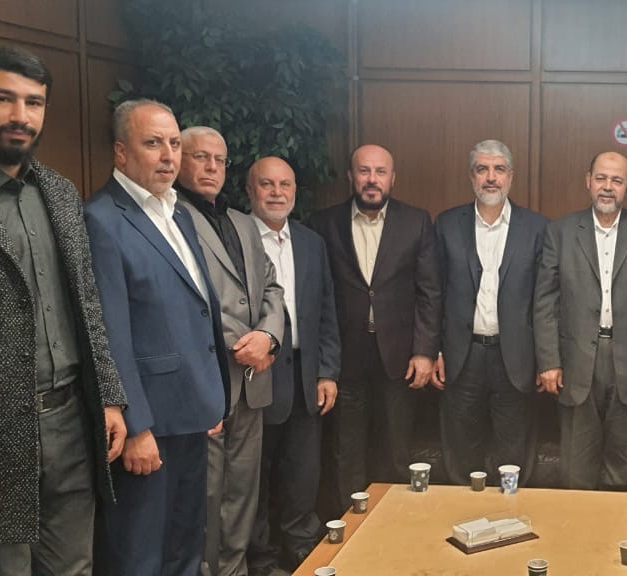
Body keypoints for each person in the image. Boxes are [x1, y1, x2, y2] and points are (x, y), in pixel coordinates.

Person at [0, 44, 127, 575]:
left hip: (73, 426)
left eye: (33, 102)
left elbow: (87, 306)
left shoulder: (60, 192)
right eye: (3, 98)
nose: (20, 116)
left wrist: (109, 398)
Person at [87, 99, 230, 576]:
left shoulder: (178, 214)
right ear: (121, 152)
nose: (169, 156)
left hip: (191, 413)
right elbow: (109, 332)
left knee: (185, 547)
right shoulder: (102, 219)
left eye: (173, 144)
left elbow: (195, 310)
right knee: (141, 556)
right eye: (153, 143)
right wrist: (136, 426)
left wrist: (211, 395)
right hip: (147, 426)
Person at [174, 126, 285, 576]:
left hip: (252, 381)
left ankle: (235, 570)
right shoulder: (170, 217)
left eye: (219, 160)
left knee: (242, 494)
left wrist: (269, 337)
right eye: (200, 157)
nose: (212, 167)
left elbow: (271, 285)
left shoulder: (242, 222)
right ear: (179, 159)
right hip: (206, 380)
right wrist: (245, 340)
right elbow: (184, 301)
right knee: (206, 497)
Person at [308, 144, 441, 503]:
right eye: (364, 171)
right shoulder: (323, 224)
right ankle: (350, 526)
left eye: (380, 172)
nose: (372, 179)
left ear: (392, 179)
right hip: (345, 358)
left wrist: (425, 352)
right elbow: (316, 297)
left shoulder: (416, 222)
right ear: (350, 177)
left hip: (399, 359)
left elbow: (430, 292)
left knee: (396, 450)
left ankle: (393, 523)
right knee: (345, 452)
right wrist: (324, 364)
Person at [533, 151, 627, 491]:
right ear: (588, 181)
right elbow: (545, 301)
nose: (607, 187)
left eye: (617, 180)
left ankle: (623, 528)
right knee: (576, 471)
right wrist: (549, 361)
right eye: (601, 178)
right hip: (575, 363)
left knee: (626, 471)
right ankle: (577, 528)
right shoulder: (560, 231)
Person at [433, 139, 547, 486]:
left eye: (499, 169)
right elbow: (434, 293)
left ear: (511, 176)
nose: (491, 178)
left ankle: (511, 516)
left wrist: (545, 359)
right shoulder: (447, 224)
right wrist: (435, 350)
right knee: (461, 452)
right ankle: (460, 514)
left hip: (516, 359)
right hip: (462, 356)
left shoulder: (537, 228)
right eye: (482, 169)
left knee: (513, 456)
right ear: (472, 176)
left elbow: (545, 301)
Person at [246, 157, 341, 574]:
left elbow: (326, 311)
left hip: (306, 378)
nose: (277, 193)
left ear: (295, 191)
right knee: (257, 480)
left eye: (285, 184)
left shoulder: (310, 242)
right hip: (257, 379)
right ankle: (263, 561)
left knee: (304, 475)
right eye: (267, 184)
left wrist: (327, 371)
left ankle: (304, 553)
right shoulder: (236, 238)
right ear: (250, 190)